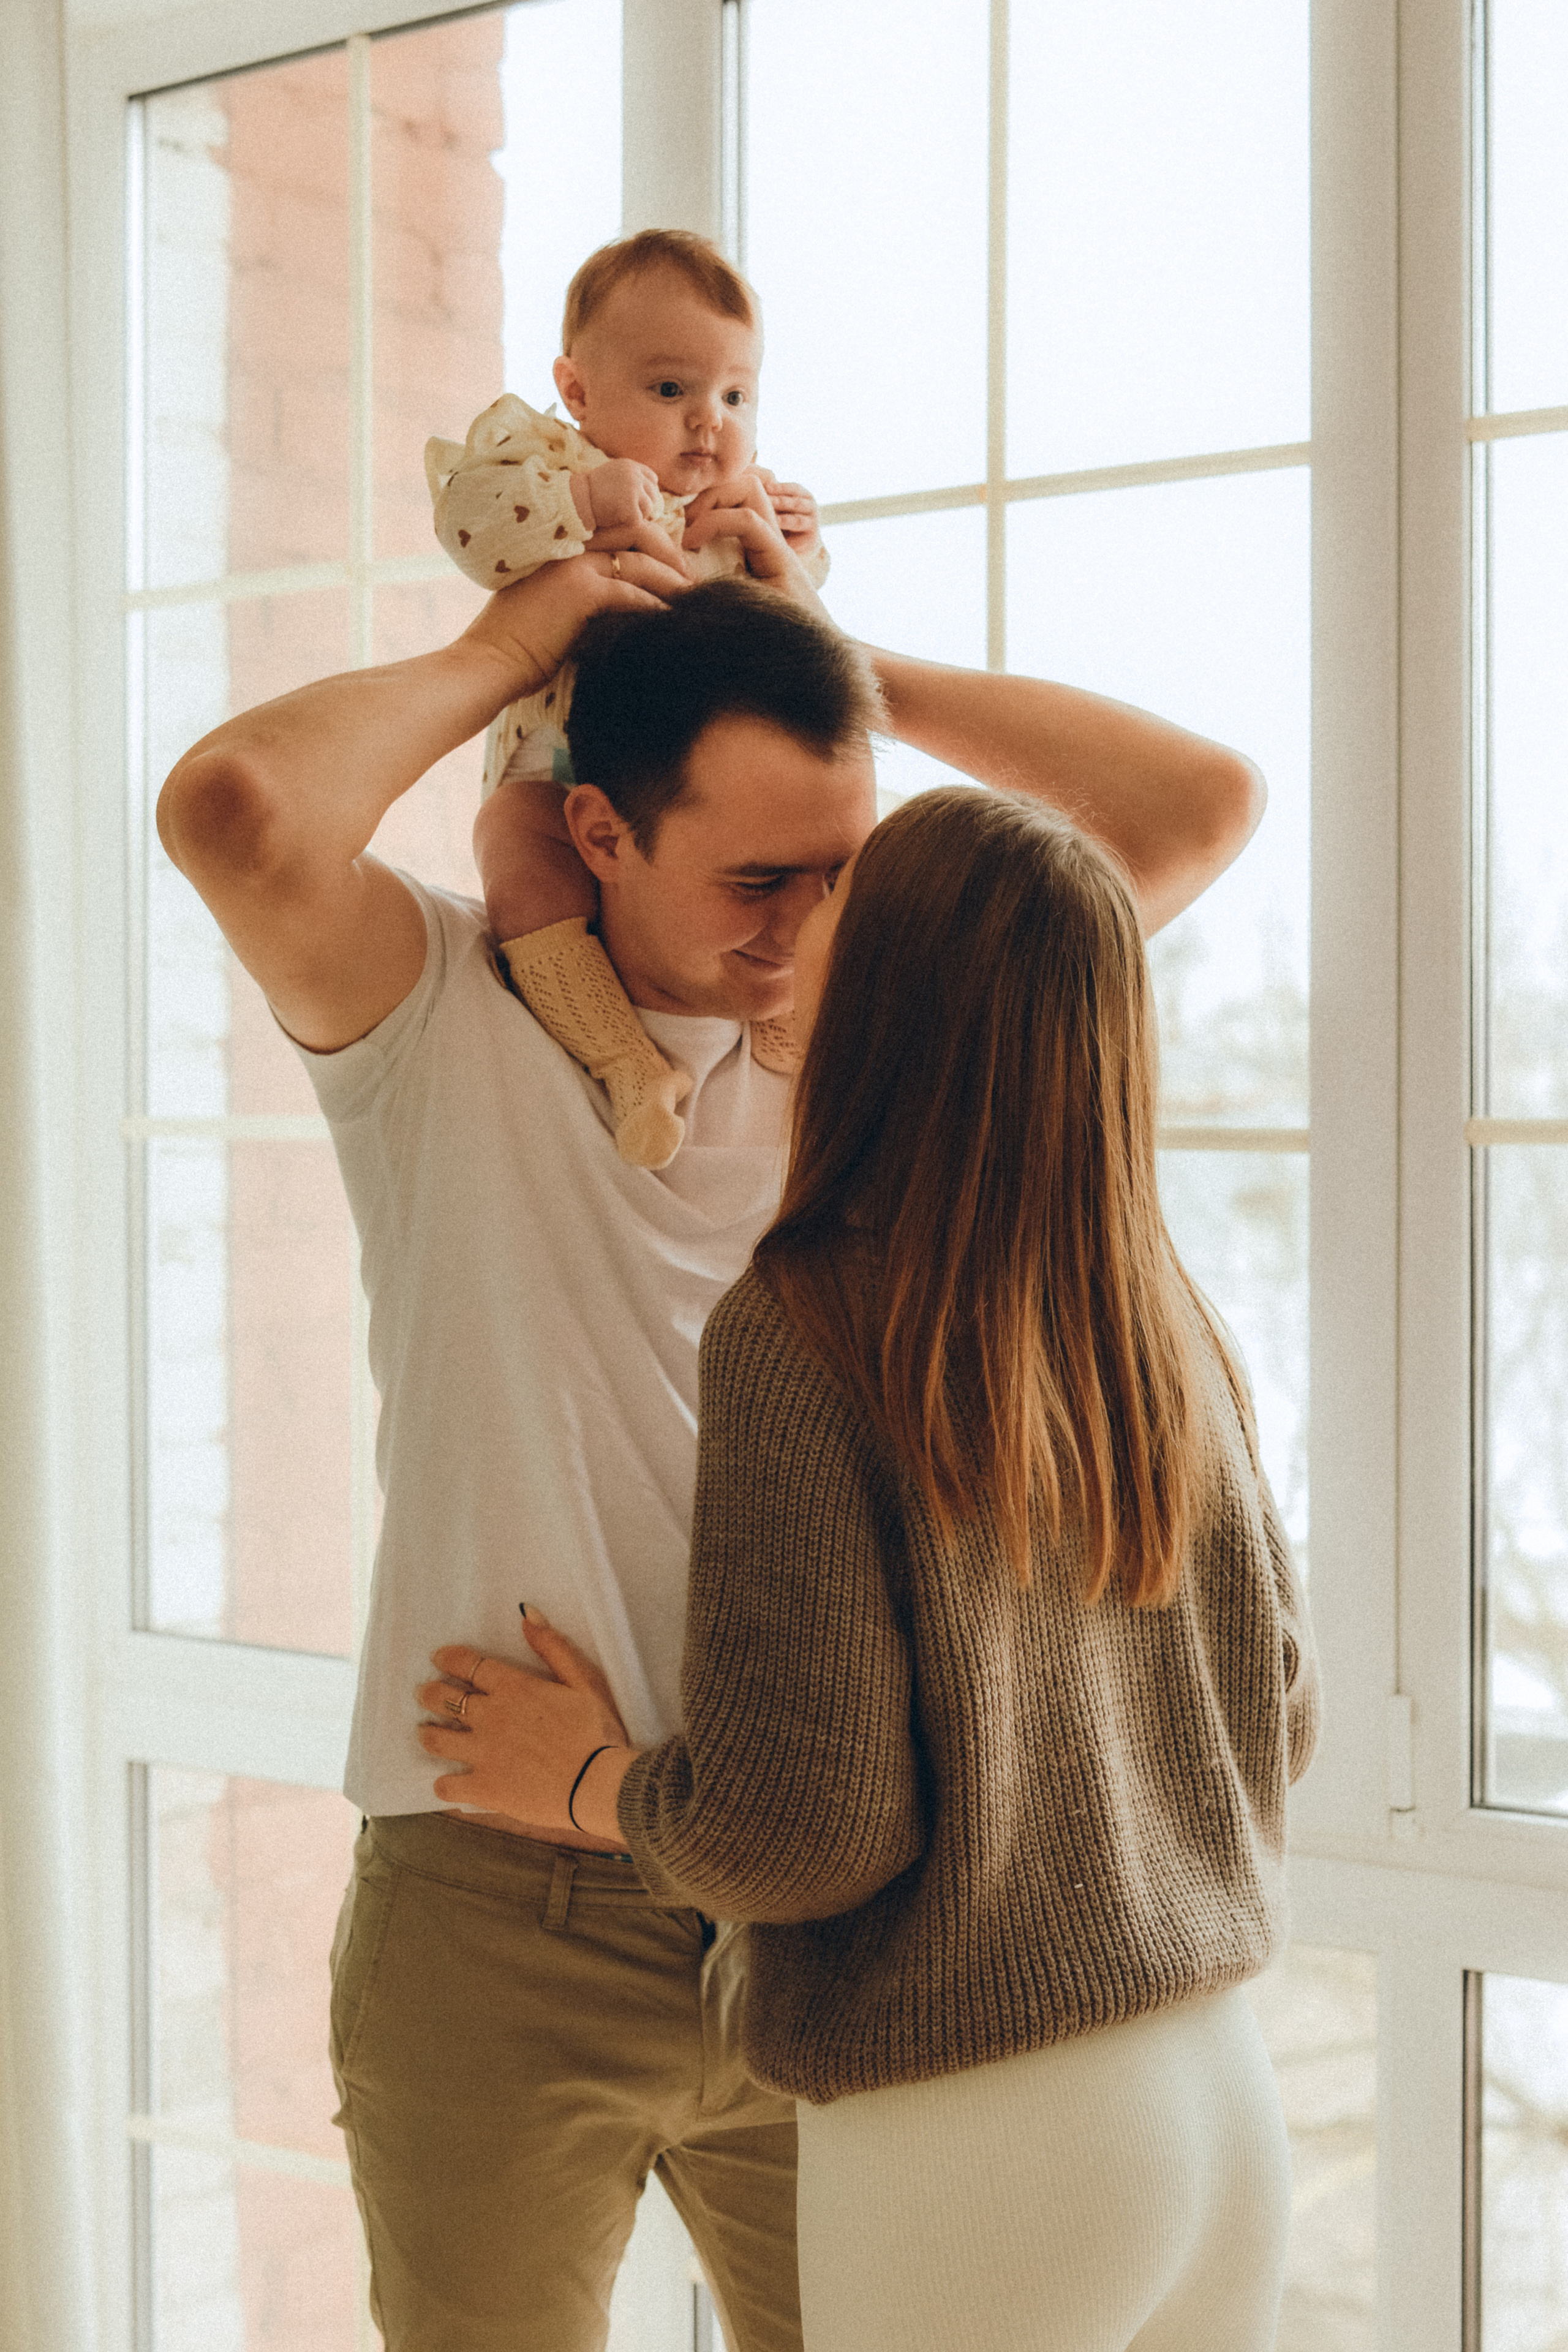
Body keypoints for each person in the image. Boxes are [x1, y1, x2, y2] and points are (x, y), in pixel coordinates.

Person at [156, 496, 1265, 2351]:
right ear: (599, 830)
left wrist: (829, 655)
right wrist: (524, 639)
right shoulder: (443, 1013)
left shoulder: (902, 1044)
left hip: (840, 1916)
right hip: (500, 1897)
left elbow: (1197, 807)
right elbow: (234, 812)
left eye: (844, 870)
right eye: (760, 881)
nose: (812, 930)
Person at [417, 786, 1319, 2352]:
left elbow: (801, 1828)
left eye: (837, 892)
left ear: (888, 982)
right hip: (1216, 2102)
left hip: (978, 2147)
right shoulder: (1165, 1321)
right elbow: (1278, 1714)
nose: (796, 921)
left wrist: (591, 1783)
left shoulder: (809, 1329)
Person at [428, 228, 828, 1166]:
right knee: (515, 850)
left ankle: (795, 1013)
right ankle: (625, 1062)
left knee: (810, 852)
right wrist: (584, 504)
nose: (709, 423)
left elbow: (804, 653)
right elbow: (472, 528)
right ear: (577, 392)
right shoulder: (547, 464)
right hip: (557, 761)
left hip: (704, 780)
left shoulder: (741, 503)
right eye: (671, 390)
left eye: (735, 396)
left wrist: (796, 554)